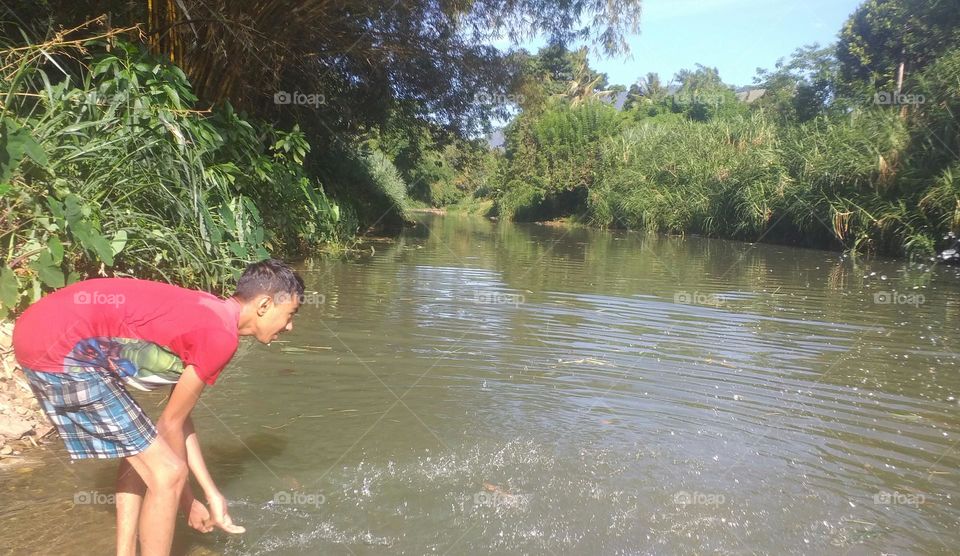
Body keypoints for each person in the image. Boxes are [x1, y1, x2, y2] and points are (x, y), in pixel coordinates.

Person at [12, 259, 304, 556]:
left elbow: (176, 419)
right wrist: (187, 499)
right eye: (290, 314)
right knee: (168, 473)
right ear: (265, 305)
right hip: (60, 351)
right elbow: (170, 426)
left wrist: (211, 493)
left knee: (145, 449)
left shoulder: (211, 311)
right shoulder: (221, 337)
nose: (290, 325)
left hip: (40, 331)